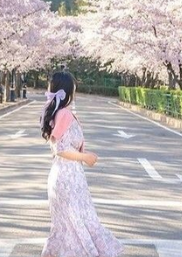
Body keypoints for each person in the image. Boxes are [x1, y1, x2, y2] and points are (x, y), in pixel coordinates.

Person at [40, 70, 123, 257]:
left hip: (63, 174)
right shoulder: (64, 115)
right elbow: (60, 148)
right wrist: (85, 157)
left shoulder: (58, 113)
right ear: (68, 92)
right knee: (79, 222)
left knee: (69, 225)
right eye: (74, 89)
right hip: (68, 177)